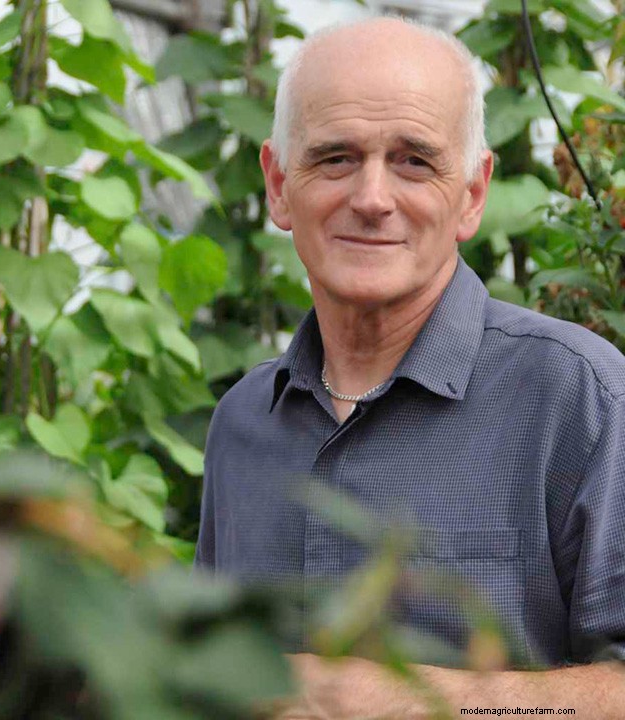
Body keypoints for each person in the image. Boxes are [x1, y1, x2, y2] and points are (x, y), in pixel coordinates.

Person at [195, 16, 625, 718]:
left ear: (473, 194)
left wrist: (404, 701)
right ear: (278, 184)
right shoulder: (243, 424)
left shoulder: (582, 399)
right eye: (336, 158)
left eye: (415, 161)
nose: (372, 199)